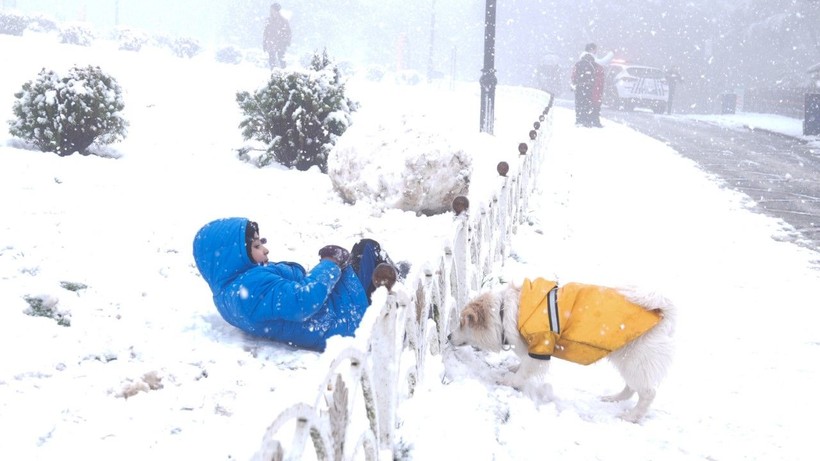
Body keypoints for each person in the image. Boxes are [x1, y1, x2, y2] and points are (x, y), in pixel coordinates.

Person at [192, 217, 401, 352]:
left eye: (261, 242)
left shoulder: (232, 290)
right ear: (234, 256)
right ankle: (399, 286)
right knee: (367, 249)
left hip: (334, 312)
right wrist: (331, 264)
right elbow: (305, 300)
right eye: (256, 245)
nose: (265, 249)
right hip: (345, 318)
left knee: (361, 257)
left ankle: (386, 280)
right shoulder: (251, 287)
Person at [571, 43, 604, 127]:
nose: (596, 51)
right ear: (591, 50)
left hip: (581, 87)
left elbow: (574, 76)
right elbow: (596, 75)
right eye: (595, 49)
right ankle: (589, 120)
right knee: (588, 104)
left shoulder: (579, 63)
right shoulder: (593, 63)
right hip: (590, 87)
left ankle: (581, 120)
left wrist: (575, 83)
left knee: (581, 104)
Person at [262, 3, 291, 69]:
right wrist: (264, 42)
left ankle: (284, 74)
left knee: (281, 60)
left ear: (277, 11)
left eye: (272, 10)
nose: (271, 12)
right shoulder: (268, 20)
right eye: (271, 10)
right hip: (271, 44)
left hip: (280, 44)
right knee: (272, 61)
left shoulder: (283, 21)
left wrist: (286, 42)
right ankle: (273, 75)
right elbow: (265, 32)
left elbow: (288, 32)